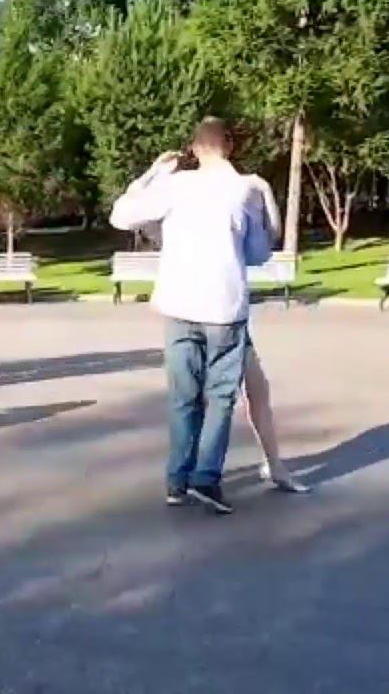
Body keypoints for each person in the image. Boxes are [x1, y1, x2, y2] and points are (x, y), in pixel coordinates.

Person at [109, 117, 272, 515]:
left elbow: (121, 215)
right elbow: (259, 254)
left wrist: (153, 172)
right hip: (223, 308)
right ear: (229, 147)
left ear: (195, 149)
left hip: (179, 305)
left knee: (184, 397)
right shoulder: (245, 189)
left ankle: (177, 480)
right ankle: (206, 478)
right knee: (220, 397)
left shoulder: (176, 185)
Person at [241, 174, 310, 494]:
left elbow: (269, 237)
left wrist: (265, 191)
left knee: (256, 390)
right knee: (241, 394)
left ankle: (274, 464)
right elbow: (272, 234)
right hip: (219, 319)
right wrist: (265, 189)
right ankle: (197, 474)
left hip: (219, 319)